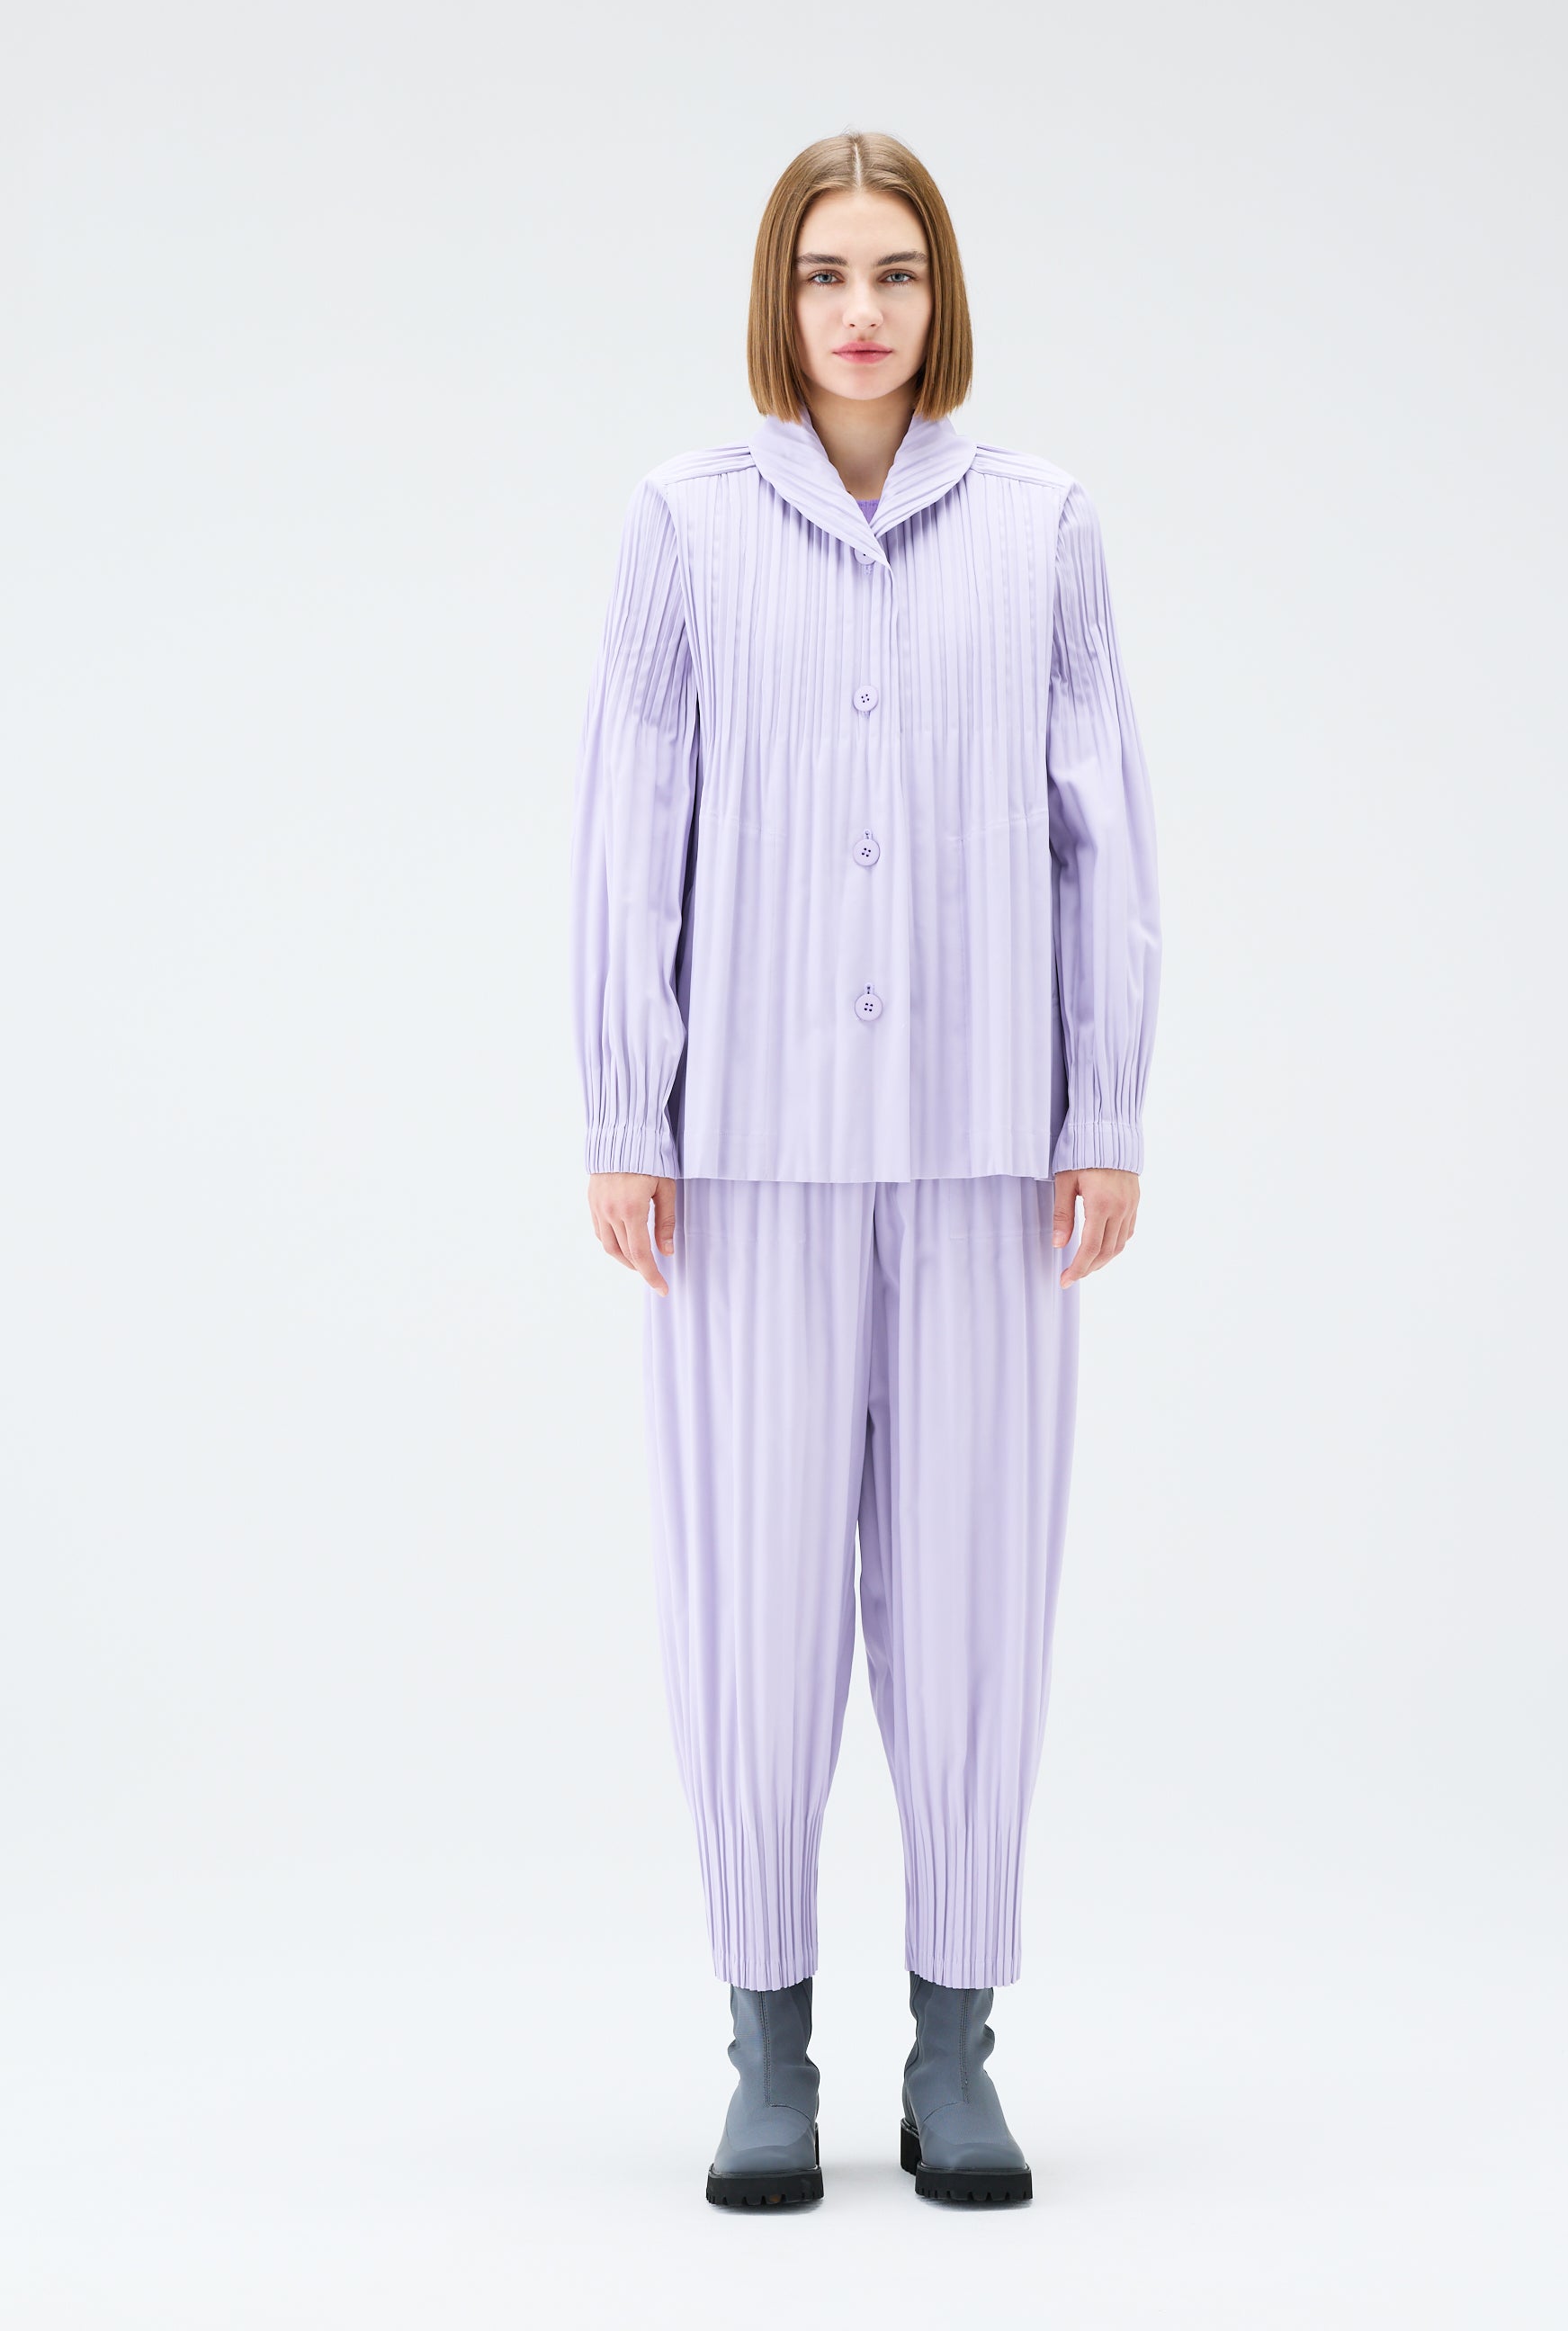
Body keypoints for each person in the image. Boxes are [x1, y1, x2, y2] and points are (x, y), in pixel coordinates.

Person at [570, 130, 1160, 2210]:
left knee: (978, 1604)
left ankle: (955, 2048)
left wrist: (1105, 1109)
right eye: (826, 272)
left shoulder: (1043, 527)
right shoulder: (685, 526)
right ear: (779, 297)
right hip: (749, 1157)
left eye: (896, 271)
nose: (861, 310)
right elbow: (631, 821)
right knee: (755, 1607)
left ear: (941, 296)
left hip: (991, 1156)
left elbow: (1103, 823)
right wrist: (625, 1108)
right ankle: (767, 2048)